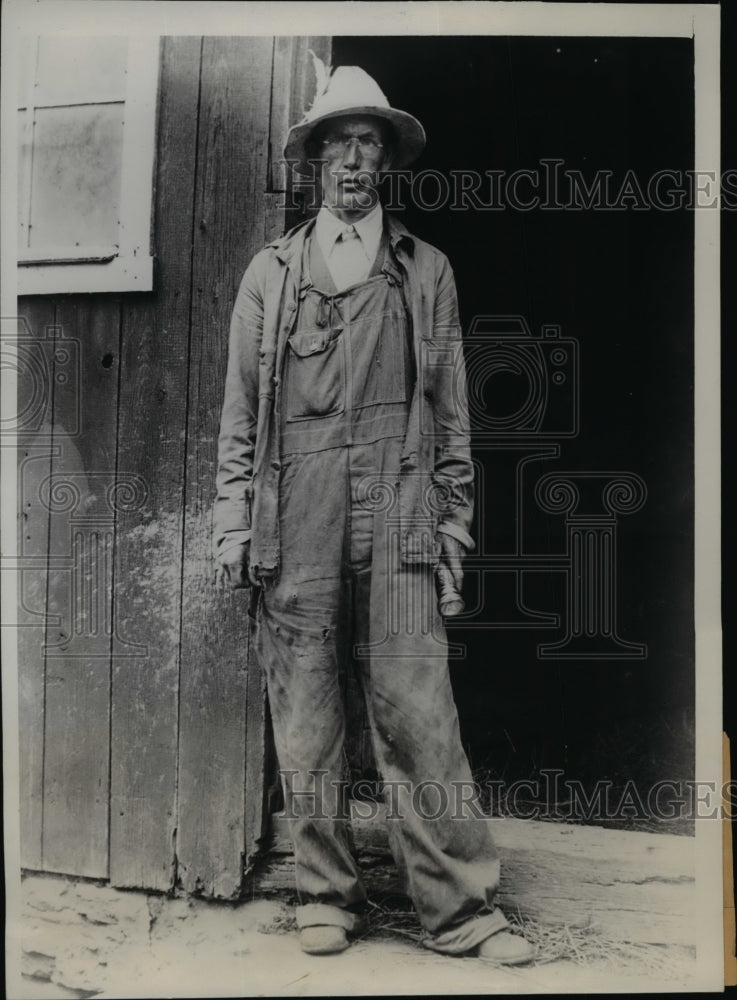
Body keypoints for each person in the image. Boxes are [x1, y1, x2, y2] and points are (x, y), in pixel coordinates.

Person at [214, 63, 534, 966]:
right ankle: (325, 894)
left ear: (384, 162)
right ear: (313, 162)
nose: (353, 162)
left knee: (417, 712)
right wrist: (234, 523)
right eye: (337, 144)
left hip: (397, 509)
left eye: (368, 144)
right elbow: (239, 417)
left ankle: (460, 913)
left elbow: (454, 416)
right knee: (307, 715)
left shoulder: (425, 271)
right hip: (297, 516)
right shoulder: (269, 276)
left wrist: (452, 529)